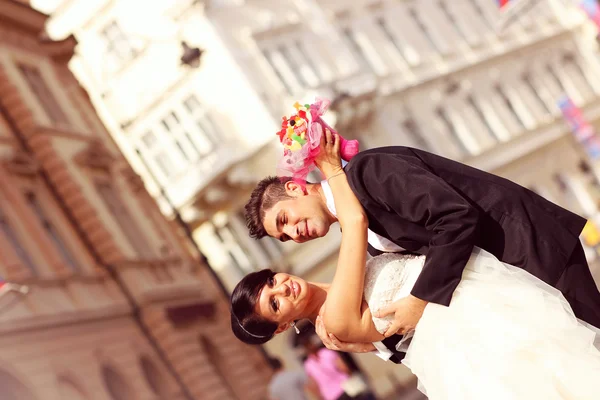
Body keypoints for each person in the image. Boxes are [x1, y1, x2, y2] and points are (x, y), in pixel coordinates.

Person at [231, 131, 600, 399]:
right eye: (284, 237)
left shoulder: (367, 172)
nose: (294, 234)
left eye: (285, 220)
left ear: (294, 188)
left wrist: (421, 298)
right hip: (503, 306)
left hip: (528, 252)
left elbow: (456, 218)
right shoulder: (357, 237)